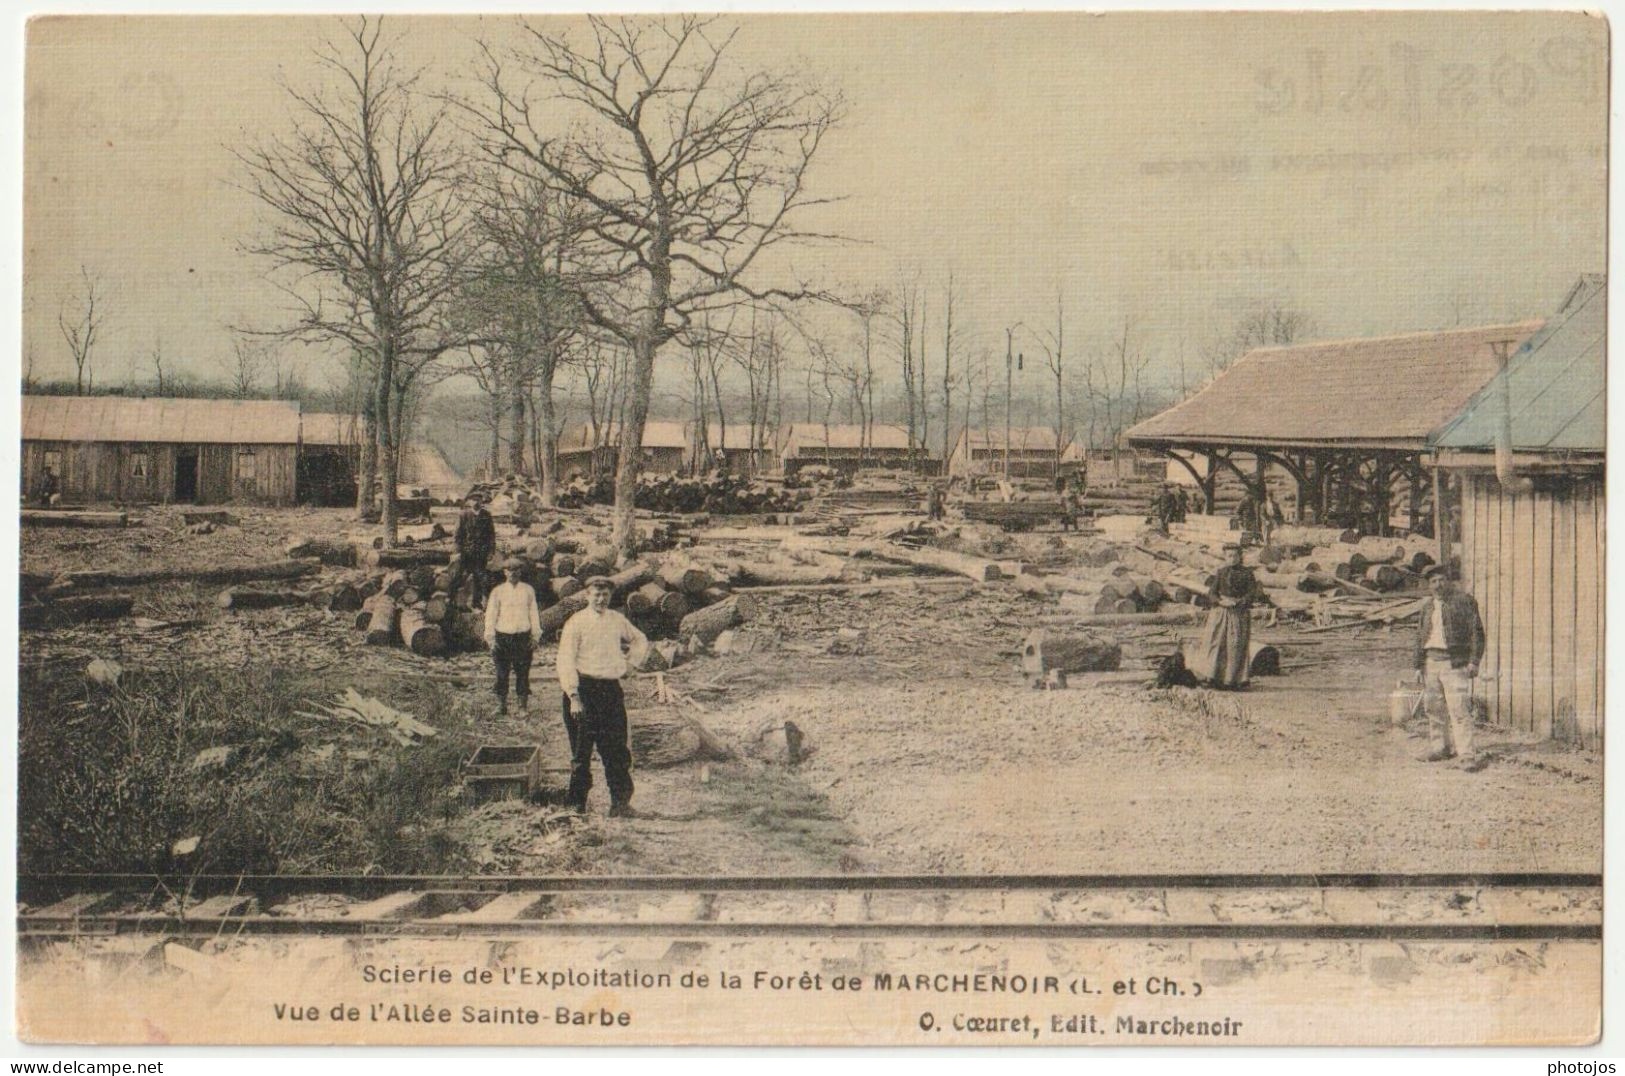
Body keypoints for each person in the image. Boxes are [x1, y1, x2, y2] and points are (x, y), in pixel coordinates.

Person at [557, 575, 650, 817]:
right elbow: (565, 659)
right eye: (596, 594)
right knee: (581, 752)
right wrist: (574, 696)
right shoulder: (575, 622)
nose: (601, 599)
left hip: (610, 692)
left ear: (610, 596)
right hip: (583, 692)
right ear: (587, 595)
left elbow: (640, 640)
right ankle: (576, 806)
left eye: (605, 594)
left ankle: (620, 804)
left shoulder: (617, 620)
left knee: (616, 751)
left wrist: (632, 665)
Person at [1414, 565, 1487, 771]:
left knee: (1458, 709)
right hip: (1430, 662)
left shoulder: (1464, 602)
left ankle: (1466, 754)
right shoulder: (1427, 607)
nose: (1438, 585)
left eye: (1441, 580)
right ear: (1429, 585)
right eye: (1433, 581)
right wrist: (1418, 664)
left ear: (1449, 581)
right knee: (1433, 708)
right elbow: (1419, 637)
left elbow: (1477, 633)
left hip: (1454, 663)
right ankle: (1440, 747)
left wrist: (1474, 661)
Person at [1191, 542, 1265, 690]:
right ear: (1225, 557)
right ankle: (1212, 677)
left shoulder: (1247, 574)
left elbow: (1253, 593)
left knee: (1235, 645)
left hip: (1238, 614)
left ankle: (1232, 680)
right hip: (1220, 613)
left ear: (1240, 557)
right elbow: (1211, 593)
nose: (1232, 558)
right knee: (1215, 643)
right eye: (1229, 556)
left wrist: (1239, 602)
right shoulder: (1221, 572)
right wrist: (1220, 601)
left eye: (1235, 555)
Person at [484, 557, 541, 715]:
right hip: (502, 637)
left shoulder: (528, 590)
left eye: (516, 570)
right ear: (504, 572)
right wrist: (491, 638)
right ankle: (501, 705)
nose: (513, 573)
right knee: (502, 673)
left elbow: (534, 614)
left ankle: (522, 707)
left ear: (520, 572)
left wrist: (535, 636)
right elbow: (491, 615)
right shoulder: (498, 591)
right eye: (509, 570)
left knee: (522, 672)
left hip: (522, 637)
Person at [456, 496, 497, 610]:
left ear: (481, 502)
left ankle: (476, 603)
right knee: (459, 576)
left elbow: (491, 536)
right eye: (473, 500)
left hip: (481, 553)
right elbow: (458, 535)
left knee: (478, 578)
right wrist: (459, 551)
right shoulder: (463, 515)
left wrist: (491, 551)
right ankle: (453, 601)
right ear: (469, 502)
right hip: (466, 553)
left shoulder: (486, 515)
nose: (475, 502)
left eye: (478, 500)